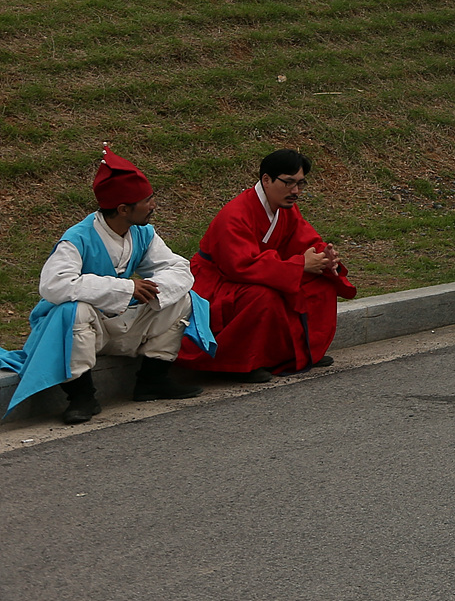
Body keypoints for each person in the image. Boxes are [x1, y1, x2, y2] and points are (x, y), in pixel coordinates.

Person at [2, 149, 210, 423]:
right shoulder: (77, 238)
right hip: (87, 328)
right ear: (123, 209)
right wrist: (126, 289)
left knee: (183, 300)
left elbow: (178, 268)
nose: (153, 206)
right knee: (72, 310)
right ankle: (81, 395)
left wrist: (152, 288)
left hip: (122, 322)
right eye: (146, 201)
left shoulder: (143, 232)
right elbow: (54, 286)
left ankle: (152, 380)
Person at [178, 149, 356, 380]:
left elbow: (303, 238)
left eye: (301, 184)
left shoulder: (284, 208)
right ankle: (240, 364)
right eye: (289, 183)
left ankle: (300, 352)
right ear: (266, 180)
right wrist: (299, 265)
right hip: (217, 280)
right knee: (263, 296)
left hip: (261, 271)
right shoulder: (235, 214)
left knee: (320, 285)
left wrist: (323, 257)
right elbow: (240, 265)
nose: (295, 191)